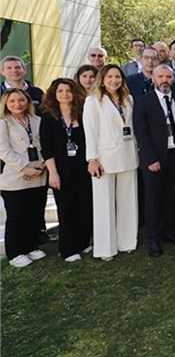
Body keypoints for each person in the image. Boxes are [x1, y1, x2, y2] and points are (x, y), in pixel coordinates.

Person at [83, 64, 139, 261]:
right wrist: (92, 159)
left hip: (128, 154)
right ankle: (105, 248)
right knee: (103, 203)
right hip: (104, 158)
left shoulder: (128, 99)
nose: (114, 80)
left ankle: (127, 241)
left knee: (128, 200)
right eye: (110, 77)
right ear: (102, 80)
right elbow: (90, 132)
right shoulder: (93, 101)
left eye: (117, 77)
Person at [132, 64, 175, 258]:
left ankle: (169, 232)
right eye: (161, 77)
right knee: (153, 198)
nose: (165, 80)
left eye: (168, 77)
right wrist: (150, 158)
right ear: (153, 79)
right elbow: (141, 132)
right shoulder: (143, 101)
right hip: (155, 157)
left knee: (171, 196)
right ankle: (153, 238)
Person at [40, 79, 93, 262]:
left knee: (84, 206)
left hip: (82, 167)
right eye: (60, 91)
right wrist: (53, 173)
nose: (65, 94)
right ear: (54, 94)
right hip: (61, 170)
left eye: (69, 90)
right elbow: (46, 148)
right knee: (66, 209)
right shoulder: (48, 117)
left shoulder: (83, 113)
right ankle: (68, 249)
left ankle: (82, 242)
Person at [0, 88, 47, 267]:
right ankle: (15, 253)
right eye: (12, 101)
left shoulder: (36, 120)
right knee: (16, 215)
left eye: (21, 100)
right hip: (15, 176)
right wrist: (25, 167)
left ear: (27, 101)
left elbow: (44, 144)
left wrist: (42, 163)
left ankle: (31, 246)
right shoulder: (3, 123)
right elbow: (4, 151)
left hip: (38, 173)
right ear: (5, 104)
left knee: (34, 213)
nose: (17, 104)